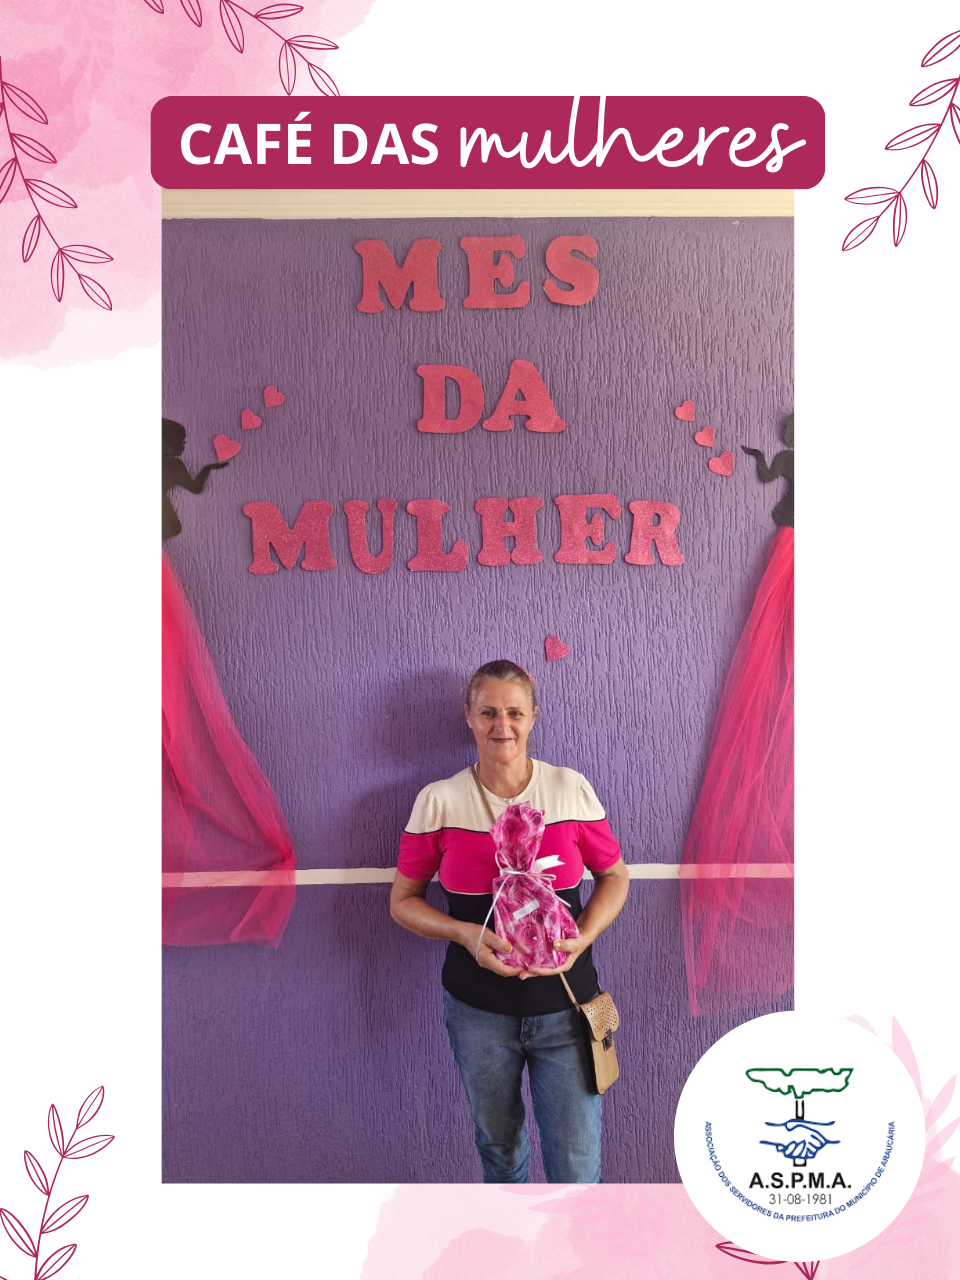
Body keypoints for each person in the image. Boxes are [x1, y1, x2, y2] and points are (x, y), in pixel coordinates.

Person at [390, 659, 629, 1183]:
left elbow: (615, 877)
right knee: (499, 1150)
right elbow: (403, 900)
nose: (503, 725)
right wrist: (464, 934)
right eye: (489, 712)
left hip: (566, 1008)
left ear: (533, 717)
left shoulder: (569, 789)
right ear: (469, 716)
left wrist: (583, 935)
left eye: (515, 713)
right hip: (478, 1014)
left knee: (577, 1166)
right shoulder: (439, 801)